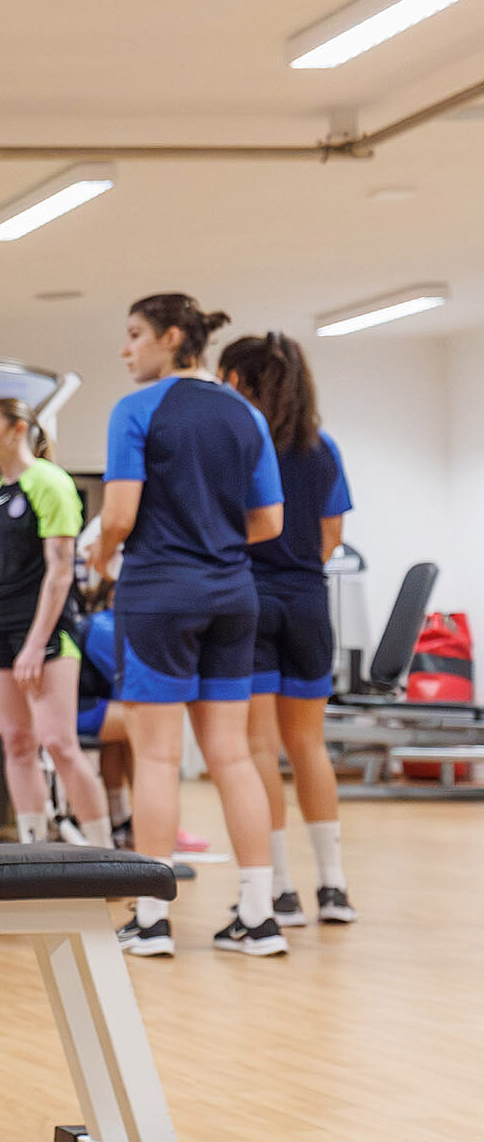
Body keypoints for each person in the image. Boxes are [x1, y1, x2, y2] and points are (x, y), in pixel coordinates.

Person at [89, 294, 284, 956]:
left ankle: (150, 919)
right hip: (234, 595)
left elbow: (118, 514)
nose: (126, 350)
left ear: (172, 338)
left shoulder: (136, 410)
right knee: (231, 756)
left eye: (135, 334)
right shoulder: (247, 414)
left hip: (158, 595)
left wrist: (100, 553)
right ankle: (259, 917)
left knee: (158, 757)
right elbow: (270, 523)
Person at [221, 332, 356, 926]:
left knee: (258, 749)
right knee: (309, 743)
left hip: (250, 601)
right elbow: (333, 538)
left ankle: (280, 891)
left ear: (239, 382)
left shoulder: (240, 446)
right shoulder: (323, 448)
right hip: (307, 602)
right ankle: (333, 888)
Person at [0, 398, 113, 846]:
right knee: (17, 744)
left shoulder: (50, 483)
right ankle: (34, 850)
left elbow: (59, 572)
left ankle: (106, 855)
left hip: (46, 633)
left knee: (59, 743)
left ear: (18, 430)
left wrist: (36, 644)